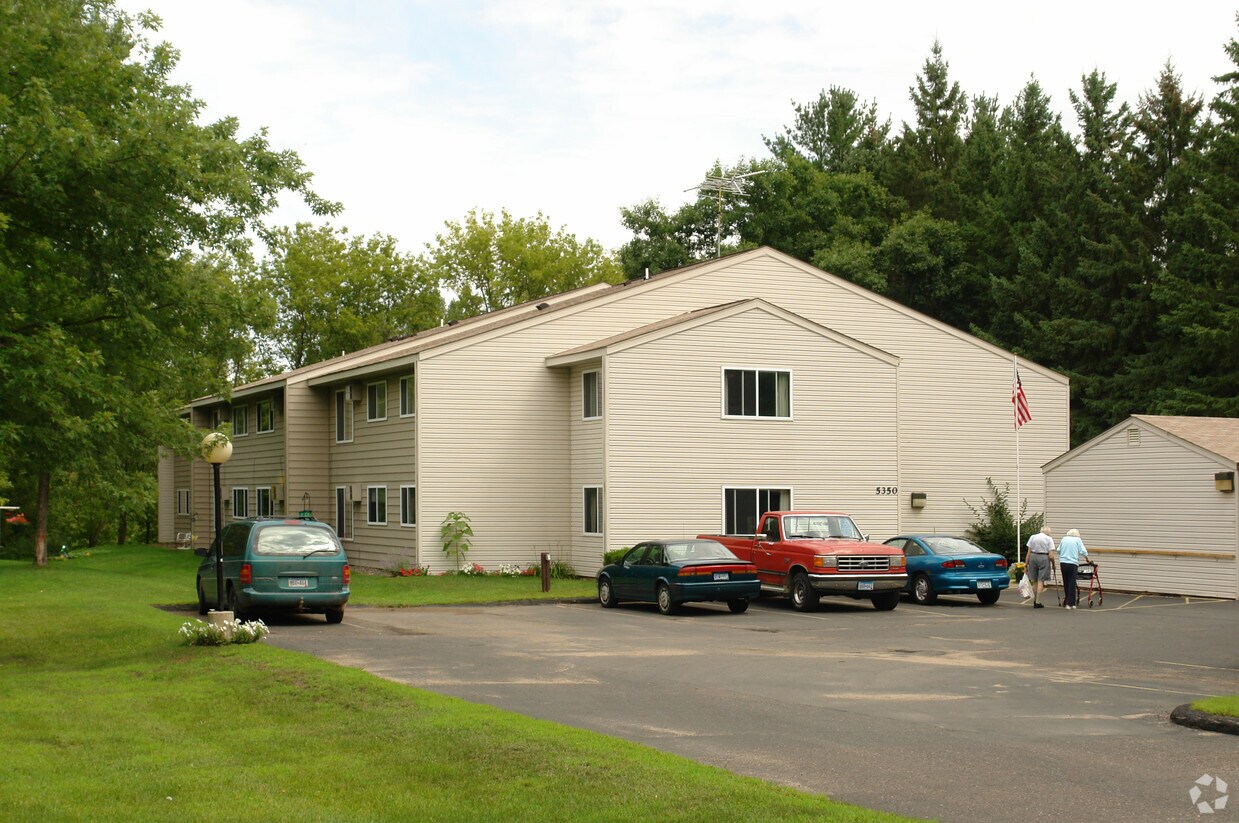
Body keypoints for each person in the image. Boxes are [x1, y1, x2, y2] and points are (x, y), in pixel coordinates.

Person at [1056, 528, 1091, 609]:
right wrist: (1087, 558)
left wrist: (1064, 554)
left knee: (1066, 582)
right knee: (1072, 582)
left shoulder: (1064, 539)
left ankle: (1067, 600)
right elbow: (1083, 551)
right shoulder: (1077, 540)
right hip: (1073, 563)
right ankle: (1071, 603)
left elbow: (1058, 550)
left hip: (1063, 563)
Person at [1024, 527, 1054, 608]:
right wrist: (1053, 564)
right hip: (1044, 557)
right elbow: (1051, 556)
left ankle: (1034, 600)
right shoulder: (1049, 539)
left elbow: (1029, 552)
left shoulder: (1033, 537)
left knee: (1035, 580)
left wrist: (1026, 564)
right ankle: (1038, 601)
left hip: (1033, 557)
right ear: (1048, 533)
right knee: (1041, 580)